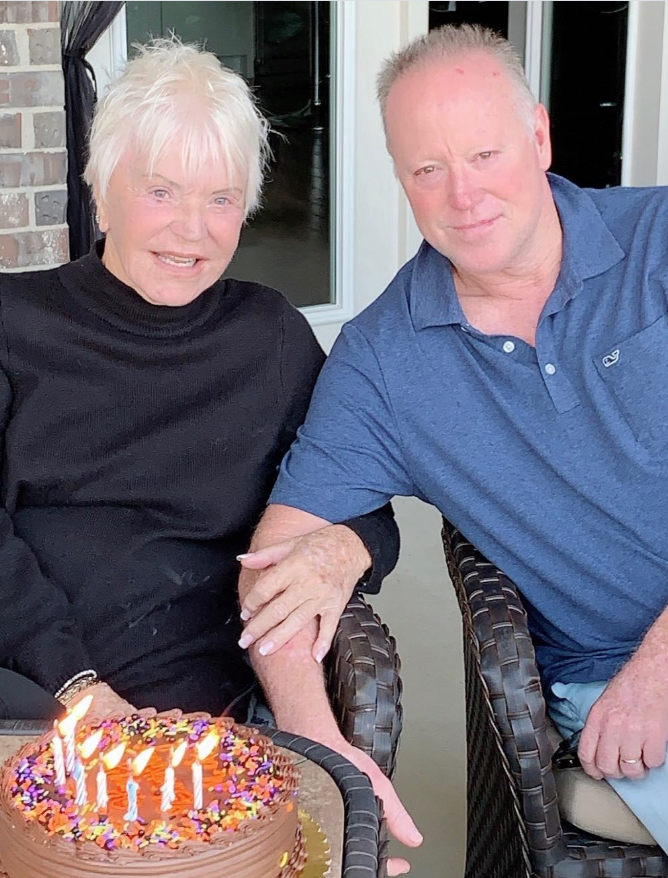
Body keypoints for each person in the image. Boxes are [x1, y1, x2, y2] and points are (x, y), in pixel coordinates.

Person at [238, 24, 668, 878]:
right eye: (428, 169)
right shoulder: (385, 359)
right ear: (401, 180)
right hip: (617, 677)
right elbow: (270, 567)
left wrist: (666, 661)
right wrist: (317, 746)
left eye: (484, 154)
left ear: (538, 137)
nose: (463, 195)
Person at [0, 36, 415, 852]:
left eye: (221, 199)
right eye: (161, 191)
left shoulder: (269, 340)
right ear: (100, 189)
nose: (192, 230)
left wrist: (340, 549)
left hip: (191, 729)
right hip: (20, 698)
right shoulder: (14, 325)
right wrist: (82, 696)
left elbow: (362, 510)